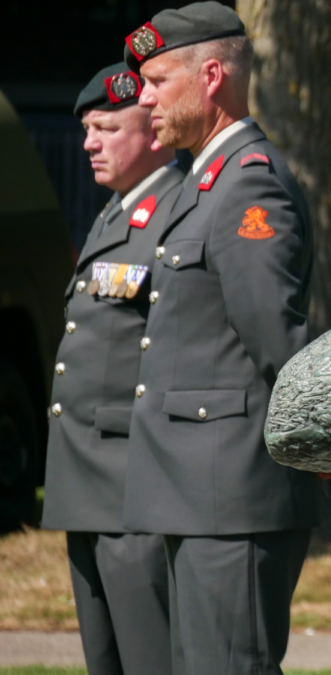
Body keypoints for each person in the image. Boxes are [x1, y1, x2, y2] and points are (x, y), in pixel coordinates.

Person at [119, 3, 331, 672]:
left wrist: (322, 434)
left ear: (211, 76)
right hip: (197, 492)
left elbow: (275, 333)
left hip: (232, 496)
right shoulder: (204, 185)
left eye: (157, 81)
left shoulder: (246, 185)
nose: (143, 98)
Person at [40, 62, 184, 675]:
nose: (88, 142)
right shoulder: (116, 213)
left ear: (154, 131)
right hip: (89, 485)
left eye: (105, 127)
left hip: (133, 488)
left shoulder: (177, 212)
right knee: (106, 661)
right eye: (86, 129)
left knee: (148, 658)